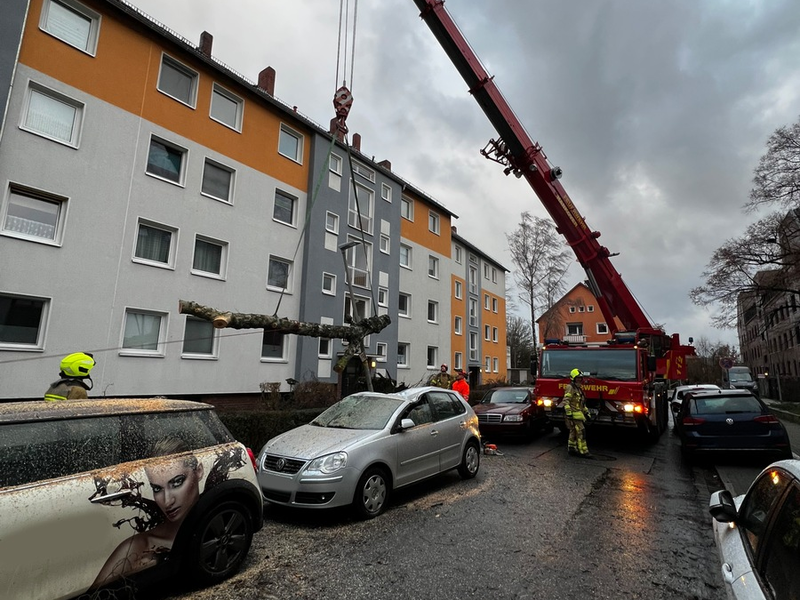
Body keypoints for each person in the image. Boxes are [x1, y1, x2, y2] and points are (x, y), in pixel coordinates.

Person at [92, 437, 205, 588]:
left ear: (199, 472)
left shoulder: (216, 516)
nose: (167, 501)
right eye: (157, 489)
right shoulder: (137, 546)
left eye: (177, 482)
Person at [563, 368, 591, 457]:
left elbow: (582, 404)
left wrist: (587, 413)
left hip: (579, 414)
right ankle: (584, 451)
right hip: (574, 415)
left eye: (580, 378)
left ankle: (571, 448)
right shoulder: (570, 387)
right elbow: (566, 401)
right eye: (577, 378)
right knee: (581, 432)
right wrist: (569, 413)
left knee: (573, 431)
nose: (579, 379)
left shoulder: (578, 389)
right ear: (573, 378)